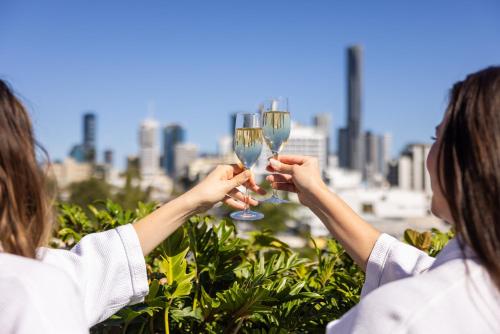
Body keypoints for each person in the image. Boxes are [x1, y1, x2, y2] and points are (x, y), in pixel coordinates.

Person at [0, 79, 265, 333]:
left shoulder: (30, 280)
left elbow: (91, 269)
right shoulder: (29, 289)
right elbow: (68, 280)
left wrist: (193, 200)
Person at [266, 66, 500, 333]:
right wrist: (317, 194)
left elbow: (424, 290)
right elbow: (414, 269)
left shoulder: (401, 315)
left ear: (471, 158)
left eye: (436, 137)